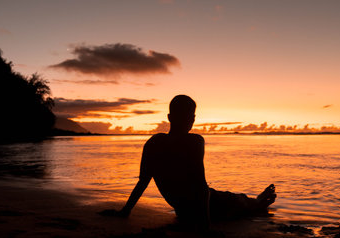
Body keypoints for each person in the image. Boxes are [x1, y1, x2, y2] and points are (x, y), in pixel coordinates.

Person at [101, 95, 276, 228]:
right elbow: (201, 185)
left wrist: (125, 211)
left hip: (184, 210)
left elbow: (143, 182)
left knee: (239, 201)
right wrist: (205, 226)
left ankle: (258, 201)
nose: (191, 120)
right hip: (206, 207)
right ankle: (259, 201)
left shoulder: (154, 142)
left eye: (192, 116)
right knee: (240, 202)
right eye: (188, 117)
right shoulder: (194, 141)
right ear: (171, 118)